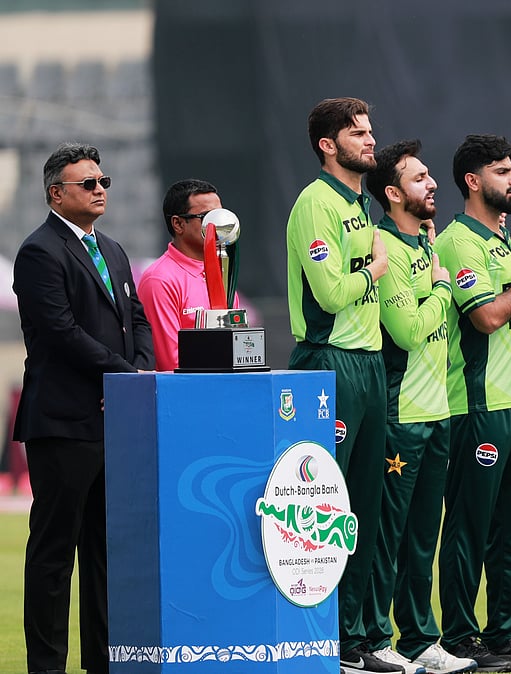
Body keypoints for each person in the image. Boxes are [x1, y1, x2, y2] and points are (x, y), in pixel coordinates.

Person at [14, 142, 154, 674]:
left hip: (112, 419)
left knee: (103, 553)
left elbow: (135, 318)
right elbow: (59, 333)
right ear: (57, 193)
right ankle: (46, 666)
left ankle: (104, 662)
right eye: (89, 183)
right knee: (54, 555)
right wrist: (125, 375)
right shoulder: (39, 252)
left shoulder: (113, 250)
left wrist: (138, 368)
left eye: (104, 182)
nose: (101, 190)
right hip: (65, 422)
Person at [434, 134, 511, 672]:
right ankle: (460, 637)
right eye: (502, 171)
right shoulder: (459, 242)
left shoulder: (506, 240)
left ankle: (504, 633)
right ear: (473, 181)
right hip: (479, 405)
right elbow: (485, 317)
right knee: (470, 526)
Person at [284, 97, 395, 673]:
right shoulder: (315, 202)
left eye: (371, 130)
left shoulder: (361, 204)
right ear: (329, 145)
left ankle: (358, 637)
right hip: (329, 363)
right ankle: (322, 633)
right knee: (327, 503)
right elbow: (328, 293)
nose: (371, 140)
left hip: (369, 363)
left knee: (365, 508)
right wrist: (376, 268)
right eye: (359, 133)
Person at [360, 141, 477, 674]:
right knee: (388, 534)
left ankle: (418, 639)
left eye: (431, 177)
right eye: (419, 178)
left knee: (423, 537)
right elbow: (407, 331)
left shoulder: (425, 246)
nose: (432, 185)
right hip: (401, 411)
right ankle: (374, 638)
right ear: (392, 193)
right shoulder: (382, 245)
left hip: (437, 410)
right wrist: (440, 288)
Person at [137, 179, 240, 371]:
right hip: (184, 395)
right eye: (208, 217)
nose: (218, 225)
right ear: (178, 224)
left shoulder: (223, 272)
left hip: (223, 389)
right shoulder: (160, 280)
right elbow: (171, 362)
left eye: (220, 216)